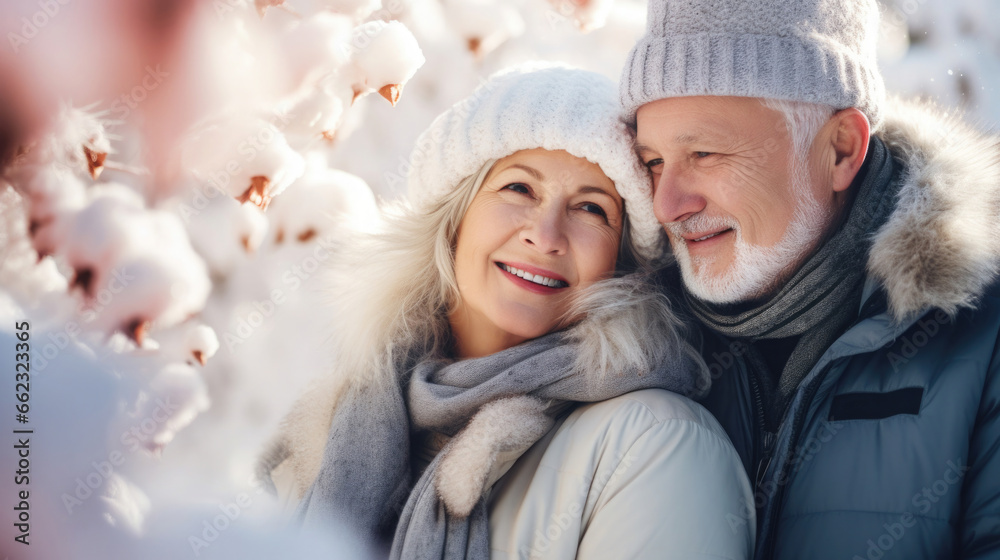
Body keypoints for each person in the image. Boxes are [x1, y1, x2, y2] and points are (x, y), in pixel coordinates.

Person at [257, 64, 754, 559]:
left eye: (591, 209)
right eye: (520, 189)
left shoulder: (654, 447)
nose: (546, 235)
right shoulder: (332, 431)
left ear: (622, 264)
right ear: (455, 218)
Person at [619, 1, 1000, 559]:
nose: (668, 203)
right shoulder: (638, 343)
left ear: (841, 148)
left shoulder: (982, 335)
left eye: (704, 153)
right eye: (652, 162)